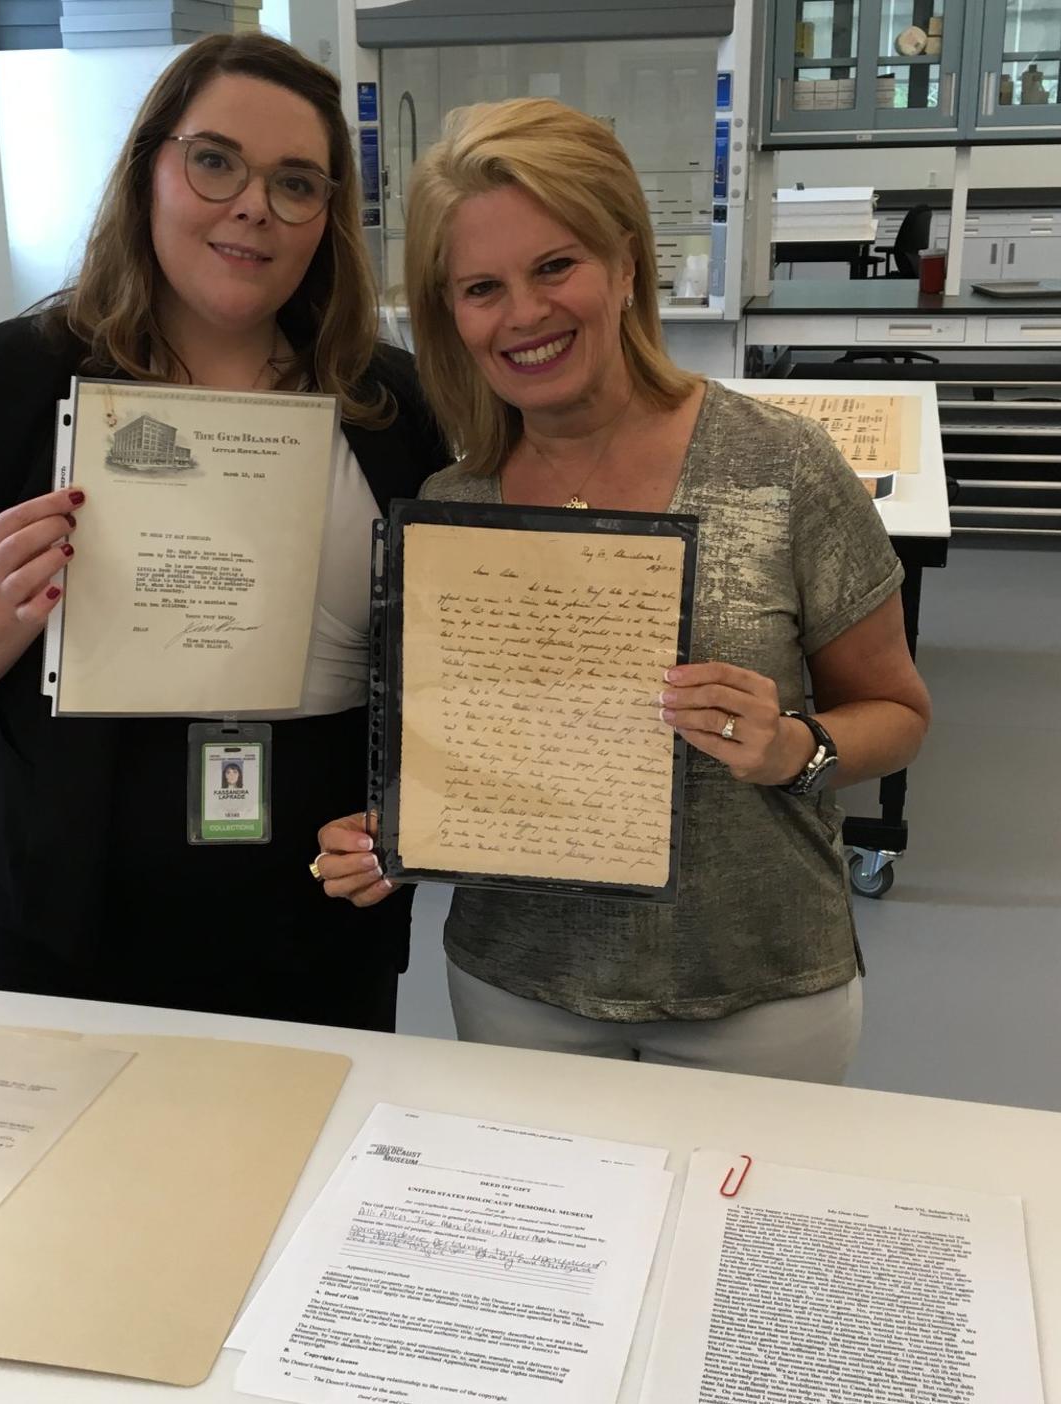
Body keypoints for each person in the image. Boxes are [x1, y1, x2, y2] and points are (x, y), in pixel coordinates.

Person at [313, 99, 931, 1080]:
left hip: (759, 983)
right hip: (521, 984)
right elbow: (465, 748)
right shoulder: (451, 508)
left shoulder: (782, 468)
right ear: (450, 315)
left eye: (555, 266)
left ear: (627, 260)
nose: (523, 314)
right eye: (481, 287)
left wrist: (793, 748)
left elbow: (896, 710)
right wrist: (403, 830)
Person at [0, 34, 449, 1031]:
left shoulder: (391, 404)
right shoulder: (23, 375)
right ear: (149, 171)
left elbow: (446, 660)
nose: (254, 206)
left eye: (297, 183)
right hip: (72, 903)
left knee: (297, 1164)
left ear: (328, 217)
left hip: (318, 900)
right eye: (215, 161)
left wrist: (413, 812)